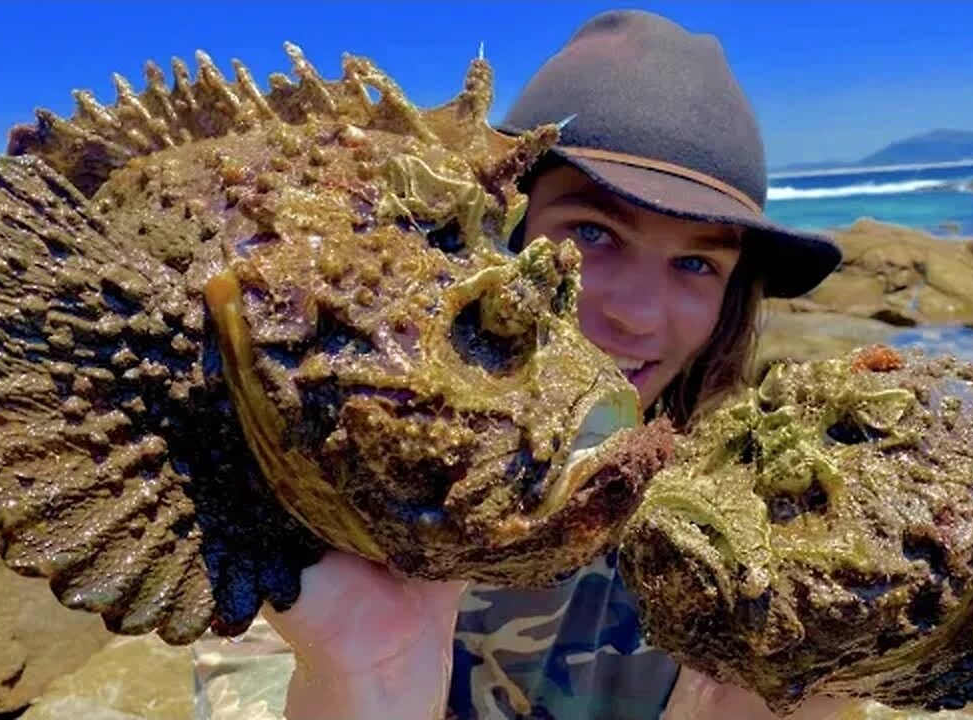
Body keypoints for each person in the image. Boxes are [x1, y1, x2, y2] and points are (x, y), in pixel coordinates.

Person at [192, 9, 846, 719]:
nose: (639, 314)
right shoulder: (314, 478)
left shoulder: (743, 539)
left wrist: (805, 680)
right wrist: (367, 678)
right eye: (593, 232)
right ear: (497, 236)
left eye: (696, 262)